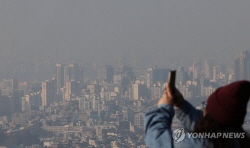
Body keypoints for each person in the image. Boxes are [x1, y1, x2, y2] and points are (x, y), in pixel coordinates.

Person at [144, 80, 250, 148]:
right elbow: (208, 124)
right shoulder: (238, 139)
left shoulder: (201, 144)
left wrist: (164, 107)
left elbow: (156, 139)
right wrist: (181, 105)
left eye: (206, 106)